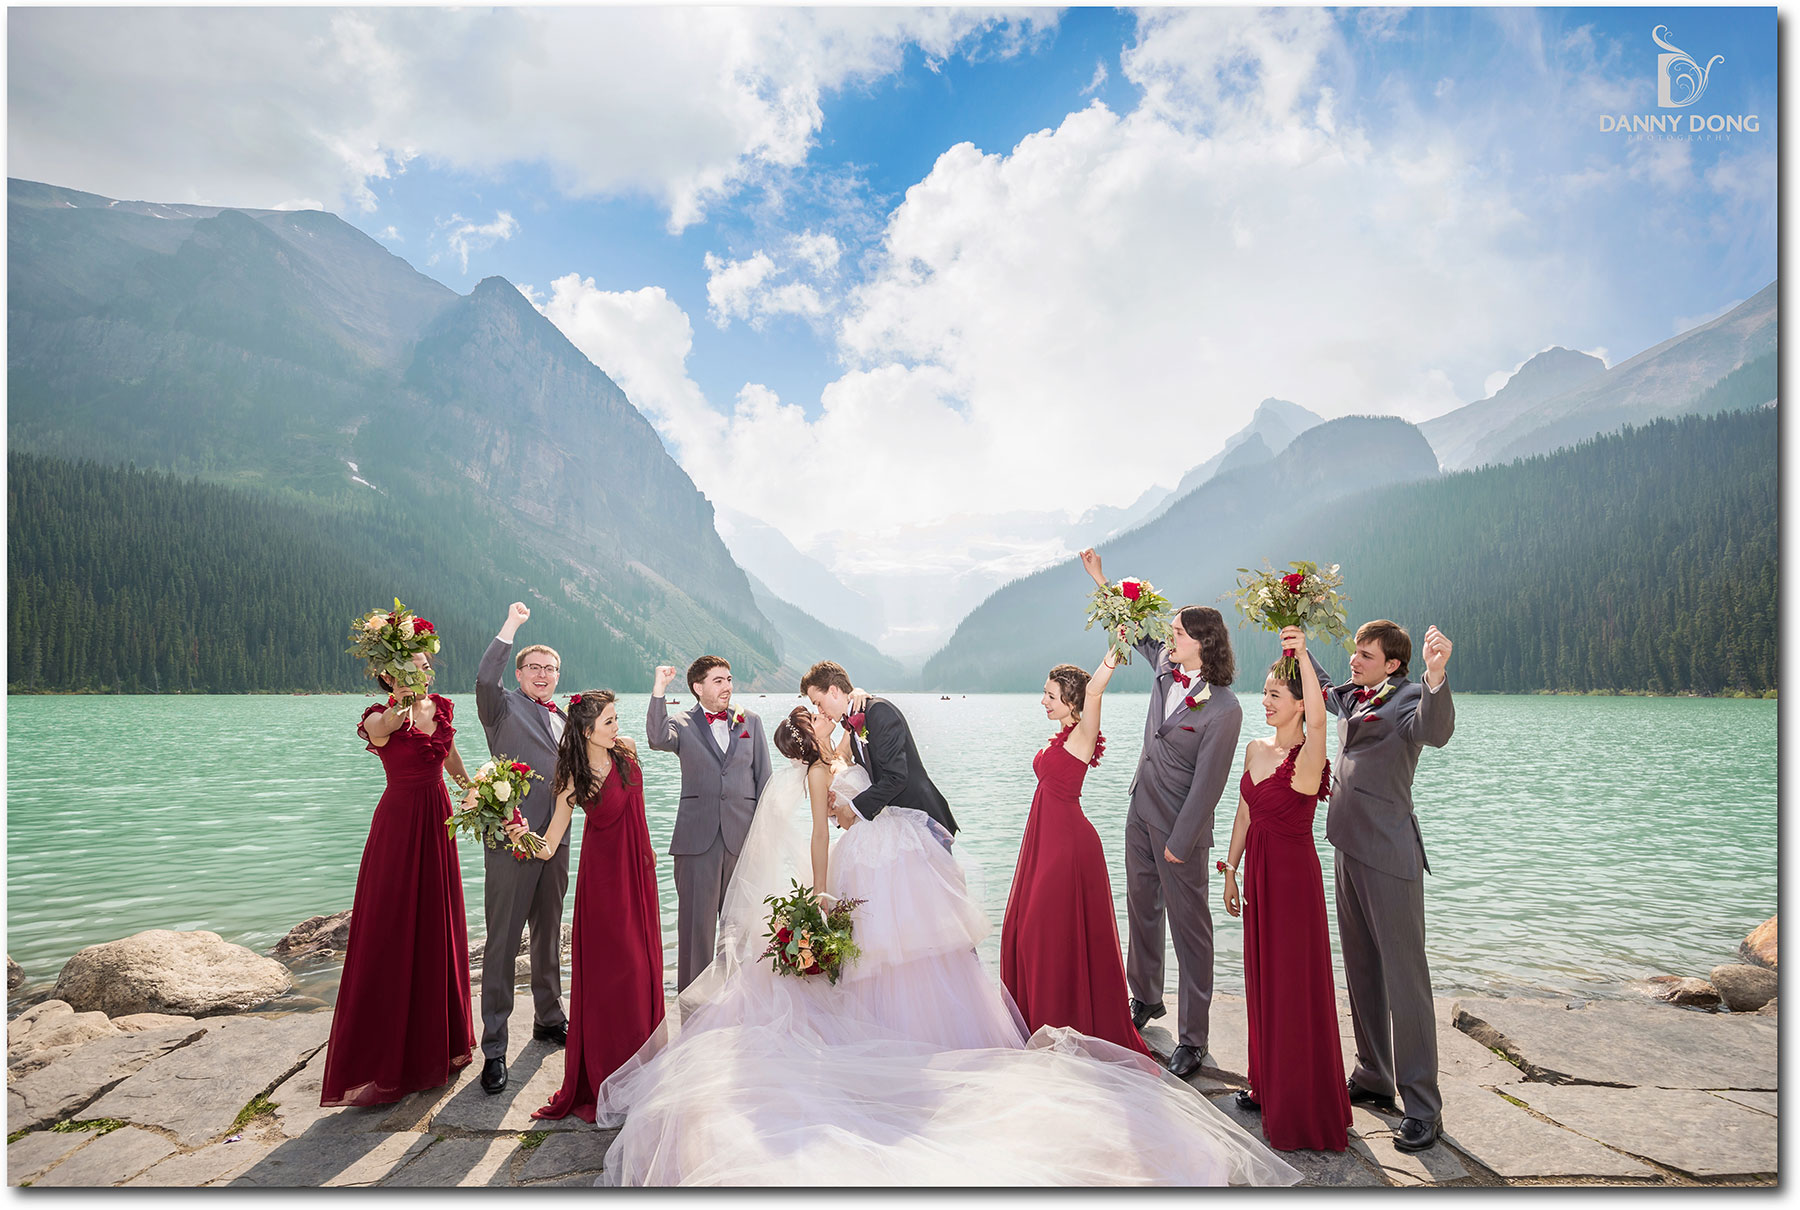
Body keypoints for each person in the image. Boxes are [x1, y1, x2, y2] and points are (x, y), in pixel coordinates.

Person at [582, 703, 1302, 1188]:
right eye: (818, 716)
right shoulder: (830, 764)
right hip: (857, 867)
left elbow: (841, 805)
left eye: (826, 708)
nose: (829, 719)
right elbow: (824, 829)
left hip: (870, 864)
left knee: (870, 969)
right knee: (886, 964)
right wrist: (827, 887)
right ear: (814, 733)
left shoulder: (834, 755)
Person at [1079, 548, 1242, 1078]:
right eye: (1170, 631)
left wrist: (1182, 839)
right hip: (1139, 811)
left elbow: (1211, 785)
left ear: (1203, 642)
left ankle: (1193, 1039)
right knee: (1141, 909)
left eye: (1177, 631)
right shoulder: (1165, 668)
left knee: (1191, 933)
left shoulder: (1224, 707)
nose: (1169, 636)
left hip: (1180, 830)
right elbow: (1129, 625)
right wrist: (1102, 579)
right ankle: (1145, 996)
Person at [1307, 620, 1456, 1153]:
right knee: (1362, 971)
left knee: (1405, 981)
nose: (1355, 659)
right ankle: (1374, 1074)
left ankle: (1422, 1107)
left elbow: (1434, 731)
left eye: (1365, 655)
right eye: (1355, 652)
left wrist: (1436, 675)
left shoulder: (1409, 698)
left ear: (1393, 664)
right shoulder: (1354, 696)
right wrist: (1298, 639)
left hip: (1390, 859)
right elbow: (1322, 687)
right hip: (1346, 849)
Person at [322, 651, 477, 1106]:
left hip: (439, 818)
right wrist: (404, 699)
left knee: (437, 924)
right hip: (399, 824)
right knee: (390, 927)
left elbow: (448, 754)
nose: (425, 672)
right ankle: (388, 1058)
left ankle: (441, 1045)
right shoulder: (377, 717)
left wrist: (472, 788)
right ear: (391, 673)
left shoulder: (442, 707)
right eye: (414, 665)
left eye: (428, 665)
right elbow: (385, 730)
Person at [1219, 628, 1351, 1151]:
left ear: (1300, 704)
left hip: (1294, 884)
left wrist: (1298, 655)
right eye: (1266, 692)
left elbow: (1321, 718)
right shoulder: (1255, 748)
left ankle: (1300, 1098)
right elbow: (1245, 809)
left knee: (1293, 984)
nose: (1266, 701)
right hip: (1258, 877)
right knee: (1263, 979)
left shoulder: (1309, 754)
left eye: (1276, 694)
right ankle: (1268, 1081)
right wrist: (1229, 868)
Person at [506, 691, 662, 1123]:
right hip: (605, 881)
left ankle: (645, 1071)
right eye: (609, 722)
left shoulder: (625, 749)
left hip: (639, 871)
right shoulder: (573, 777)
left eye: (616, 719)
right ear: (587, 730)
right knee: (618, 972)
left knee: (642, 967)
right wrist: (520, 832)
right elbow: (551, 843)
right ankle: (608, 1075)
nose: (617, 727)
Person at [1001, 652, 1151, 1056]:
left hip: (1066, 846)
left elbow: (1096, 689)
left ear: (1072, 700)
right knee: (1026, 928)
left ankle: (1063, 1020)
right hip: (1044, 840)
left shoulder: (1083, 733)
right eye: (1044, 694)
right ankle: (1039, 1021)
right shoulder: (1063, 736)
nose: (1044, 702)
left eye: (1050, 695)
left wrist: (1114, 652)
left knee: (1043, 930)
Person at [472, 602, 570, 1096]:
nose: (544, 675)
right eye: (535, 668)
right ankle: (494, 1048)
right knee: (504, 941)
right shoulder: (500, 706)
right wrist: (510, 625)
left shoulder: (567, 717)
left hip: (558, 840)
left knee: (549, 932)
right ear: (519, 672)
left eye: (551, 669)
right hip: (510, 839)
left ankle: (550, 1019)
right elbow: (484, 679)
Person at [648, 657, 772, 991]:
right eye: (718, 681)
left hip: (742, 842)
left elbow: (765, 782)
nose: (727, 686)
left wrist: (763, 839)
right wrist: (659, 688)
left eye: (729, 679)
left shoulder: (752, 722)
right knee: (695, 936)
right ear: (697, 687)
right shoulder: (680, 723)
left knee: (740, 934)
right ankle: (693, 1017)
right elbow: (657, 738)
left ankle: (737, 1010)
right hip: (696, 843)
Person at [800, 661, 957, 838]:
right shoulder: (852, 725)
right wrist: (835, 808)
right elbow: (865, 776)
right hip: (897, 829)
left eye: (819, 703)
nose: (820, 710)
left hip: (925, 820)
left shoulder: (878, 711)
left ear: (834, 691)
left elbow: (896, 777)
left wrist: (851, 809)